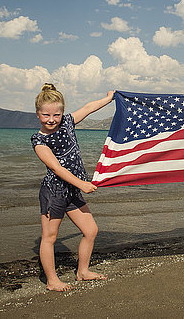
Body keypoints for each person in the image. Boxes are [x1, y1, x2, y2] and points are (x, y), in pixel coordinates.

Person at [31, 83, 114, 291]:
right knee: (50, 237)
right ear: (38, 114)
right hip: (55, 193)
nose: (51, 119)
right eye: (46, 115)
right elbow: (57, 168)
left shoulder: (68, 123)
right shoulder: (39, 140)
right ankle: (52, 281)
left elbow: (87, 108)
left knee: (91, 230)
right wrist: (82, 184)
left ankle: (82, 271)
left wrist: (109, 98)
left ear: (62, 113)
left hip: (72, 192)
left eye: (56, 115)